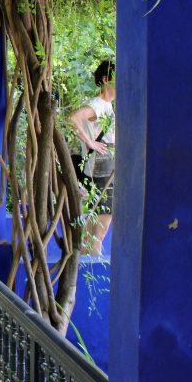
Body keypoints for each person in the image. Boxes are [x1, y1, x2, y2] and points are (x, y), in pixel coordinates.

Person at [68, 59, 116, 255]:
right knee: (102, 221)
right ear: (106, 80)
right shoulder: (97, 104)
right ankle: (92, 262)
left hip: (104, 167)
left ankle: (86, 258)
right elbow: (73, 117)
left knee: (99, 219)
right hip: (101, 168)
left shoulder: (106, 106)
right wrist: (89, 141)